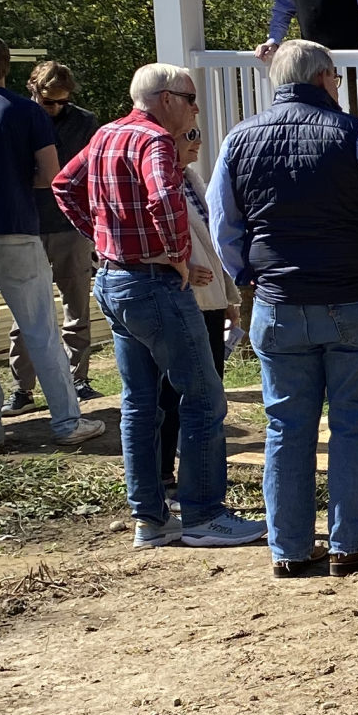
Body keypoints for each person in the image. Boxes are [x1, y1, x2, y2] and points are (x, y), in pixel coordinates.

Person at [208, 40, 358, 579]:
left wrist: (247, 274)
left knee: (286, 426)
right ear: (325, 77)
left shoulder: (238, 139)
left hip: (278, 303)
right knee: (357, 421)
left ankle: (291, 550)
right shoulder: (355, 134)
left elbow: (222, 223)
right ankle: (350, 541)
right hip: (354, 295)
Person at [53, 63, 259, 549]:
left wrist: (101, 240)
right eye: (189, 98)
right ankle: (205, 516)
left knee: (140, 405)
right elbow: (165, 196)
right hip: (154, 286)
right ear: (165, 98)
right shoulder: (155, 142)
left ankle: (150, 519)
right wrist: (178, 256)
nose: (194, 108)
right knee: (204, 398)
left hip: (113, 281)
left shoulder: (105, 134)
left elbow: (64, 185)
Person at [0, 32, 105, 458]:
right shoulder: (26, 113)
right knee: (41, 329)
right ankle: (67, 422)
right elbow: (49, 176)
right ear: (6, 66)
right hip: (15, 231)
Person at [5, 61, 99, 412]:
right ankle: (22, 388)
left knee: (77, 307)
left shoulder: (85, 122)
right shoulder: (16, 116)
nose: (55, 108)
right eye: (48, 102)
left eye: (62, 101)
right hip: (26, 225)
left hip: (70, 227)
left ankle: (79, 379)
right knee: (23, 311)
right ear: (33, 90)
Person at [159, 118, 233, 489]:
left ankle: (200, 477)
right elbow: (144, 233)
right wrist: (178, 265)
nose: (198, 142)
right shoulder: (157, 180)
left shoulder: (190, 179)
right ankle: (165, 476)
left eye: (199, 133)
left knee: (209, 392)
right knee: (173, 395)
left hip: (209, 301)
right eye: (189, 135)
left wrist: (229, 297)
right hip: (182, 300)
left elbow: (211, 241)